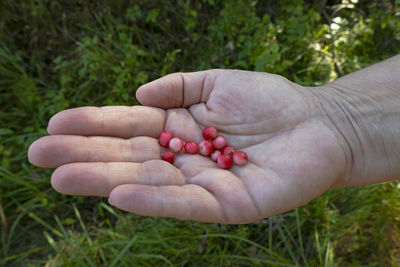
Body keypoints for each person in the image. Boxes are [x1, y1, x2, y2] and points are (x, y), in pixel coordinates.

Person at [28, 54, 400, 224]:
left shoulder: (213, 145)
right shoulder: (207, 145)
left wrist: (337, 120)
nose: (215, 149)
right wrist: (336, 116)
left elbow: (208, 148)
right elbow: (203, 147)